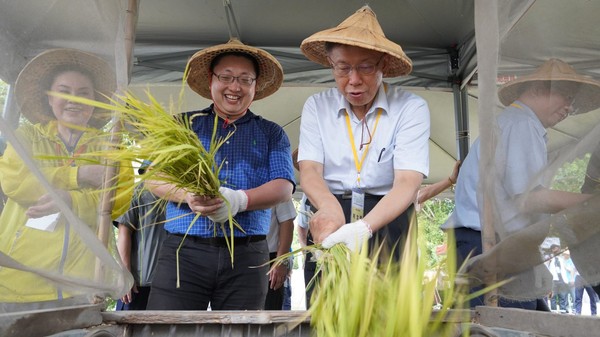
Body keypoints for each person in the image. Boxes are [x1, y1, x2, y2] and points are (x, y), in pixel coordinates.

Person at [145, 38, 295, 311]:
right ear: (211, 81)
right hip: (183, 252)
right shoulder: (183, 125)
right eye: (226, 77)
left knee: (242, 331)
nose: (235, 87)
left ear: (255, 85)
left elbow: (284, 187)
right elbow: (153, 176)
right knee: (167, 329)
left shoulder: (271, 132)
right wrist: (187, 195)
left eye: (245, 79)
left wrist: (238, 200)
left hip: (248, 255)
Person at [444, 58, 600, 310]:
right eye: (566, 97)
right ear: (539, 88)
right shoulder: (522, 124)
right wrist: (592, 204)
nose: (568, 108)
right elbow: (531, 199)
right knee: (505, 323)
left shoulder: (514, 123)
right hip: (486, 245)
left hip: (485, 244)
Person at [0, 48, 131, 309]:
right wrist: (79, 175)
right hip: (19, 281)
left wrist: (70, 200)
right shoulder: (26, 137)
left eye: (84, 93)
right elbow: (15, 181)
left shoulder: (112, 146)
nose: (74, 100)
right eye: (64, 91)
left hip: (83, 285)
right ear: (49, 98)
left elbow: (119, 199)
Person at [297, 5, 430, 260]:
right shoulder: (317, 106)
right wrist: (328, 209)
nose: (354, 80)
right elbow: (310, 171)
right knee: (328, 295)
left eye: (366, 67)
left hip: (389, 215)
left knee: (391, 297)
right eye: (343, 68)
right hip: (331, 209)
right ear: (331, 64)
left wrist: (363, 228)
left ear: (384, 64)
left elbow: (406, 182)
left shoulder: (411, 108)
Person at [114, 162, 166, 310]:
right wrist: (125, 274)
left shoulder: (176, 196)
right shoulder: (137, 192)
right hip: (139, 283)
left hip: (167, 281)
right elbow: (124, 233)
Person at [264, 199, 296, 310]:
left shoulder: (277, 183)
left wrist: (280, 261)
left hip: (270, 259)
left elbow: (287, 222)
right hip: (235, 256)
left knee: (269, 312)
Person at [547, 244, 569, 313]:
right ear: (552, 250)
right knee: (553, 297)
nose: (556, 250)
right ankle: (553, 311)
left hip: (562, 280)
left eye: (557, 249)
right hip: (553, 280)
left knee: (562, 296)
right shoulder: (550, 259)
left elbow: (565, 269)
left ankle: (563, 311)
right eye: (554, 249)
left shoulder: (562, 259)